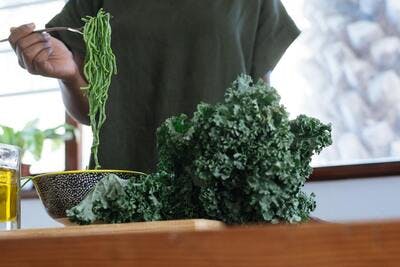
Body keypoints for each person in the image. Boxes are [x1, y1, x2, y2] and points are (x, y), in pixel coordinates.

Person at [8, 0, 300, 173]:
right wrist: (70, 74)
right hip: (122, 190)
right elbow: (93, 114)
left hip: (225, 191)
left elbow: (263, 105)